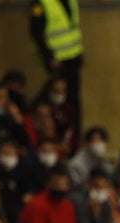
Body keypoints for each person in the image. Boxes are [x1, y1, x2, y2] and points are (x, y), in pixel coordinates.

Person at [29, 0, 84, 134]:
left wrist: (79, 55)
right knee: (55, 94)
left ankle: (74, 134)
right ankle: (51, 132)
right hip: (56, 59)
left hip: (73, 56)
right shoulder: (42, 3)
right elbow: (36, 32)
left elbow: (72, 28)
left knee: (73, 99)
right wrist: (49, 57)